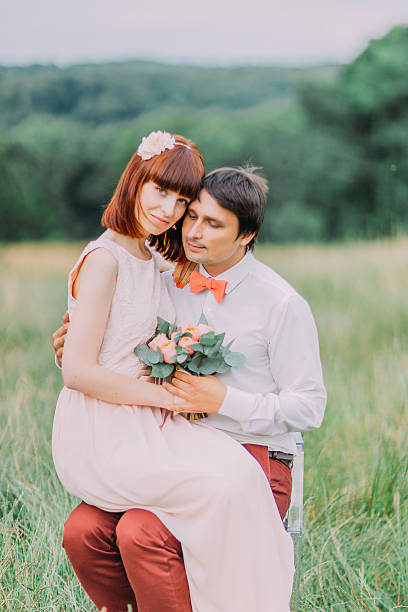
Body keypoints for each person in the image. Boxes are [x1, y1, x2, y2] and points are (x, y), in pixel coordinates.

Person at [52, 131, 295, 612]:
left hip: (145, 423)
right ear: (135, 180)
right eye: (160, 191)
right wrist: (170, 398)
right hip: (109, 428)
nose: (169, 211)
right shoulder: (105, 258)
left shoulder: (152, 257)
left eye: (182, 201)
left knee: (237, 478)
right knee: (224, 484)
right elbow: (78, 371)